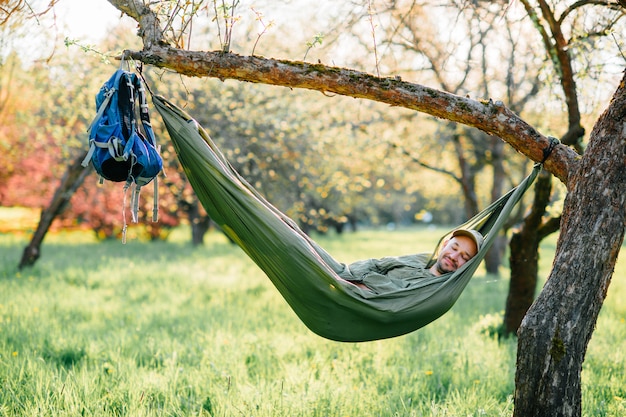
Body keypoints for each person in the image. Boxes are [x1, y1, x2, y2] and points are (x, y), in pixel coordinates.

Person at [334, 229, 484, 293]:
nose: (453, 257)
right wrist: (345, 275)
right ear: (445, 245)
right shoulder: (424, 258)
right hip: (343, 275)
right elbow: (378, 263)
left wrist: (361, 282)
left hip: (353, 295)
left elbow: (394, 294)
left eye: (464, 257)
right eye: (454, 248)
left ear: (469, 265)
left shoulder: (437, 289)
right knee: (311, 250)